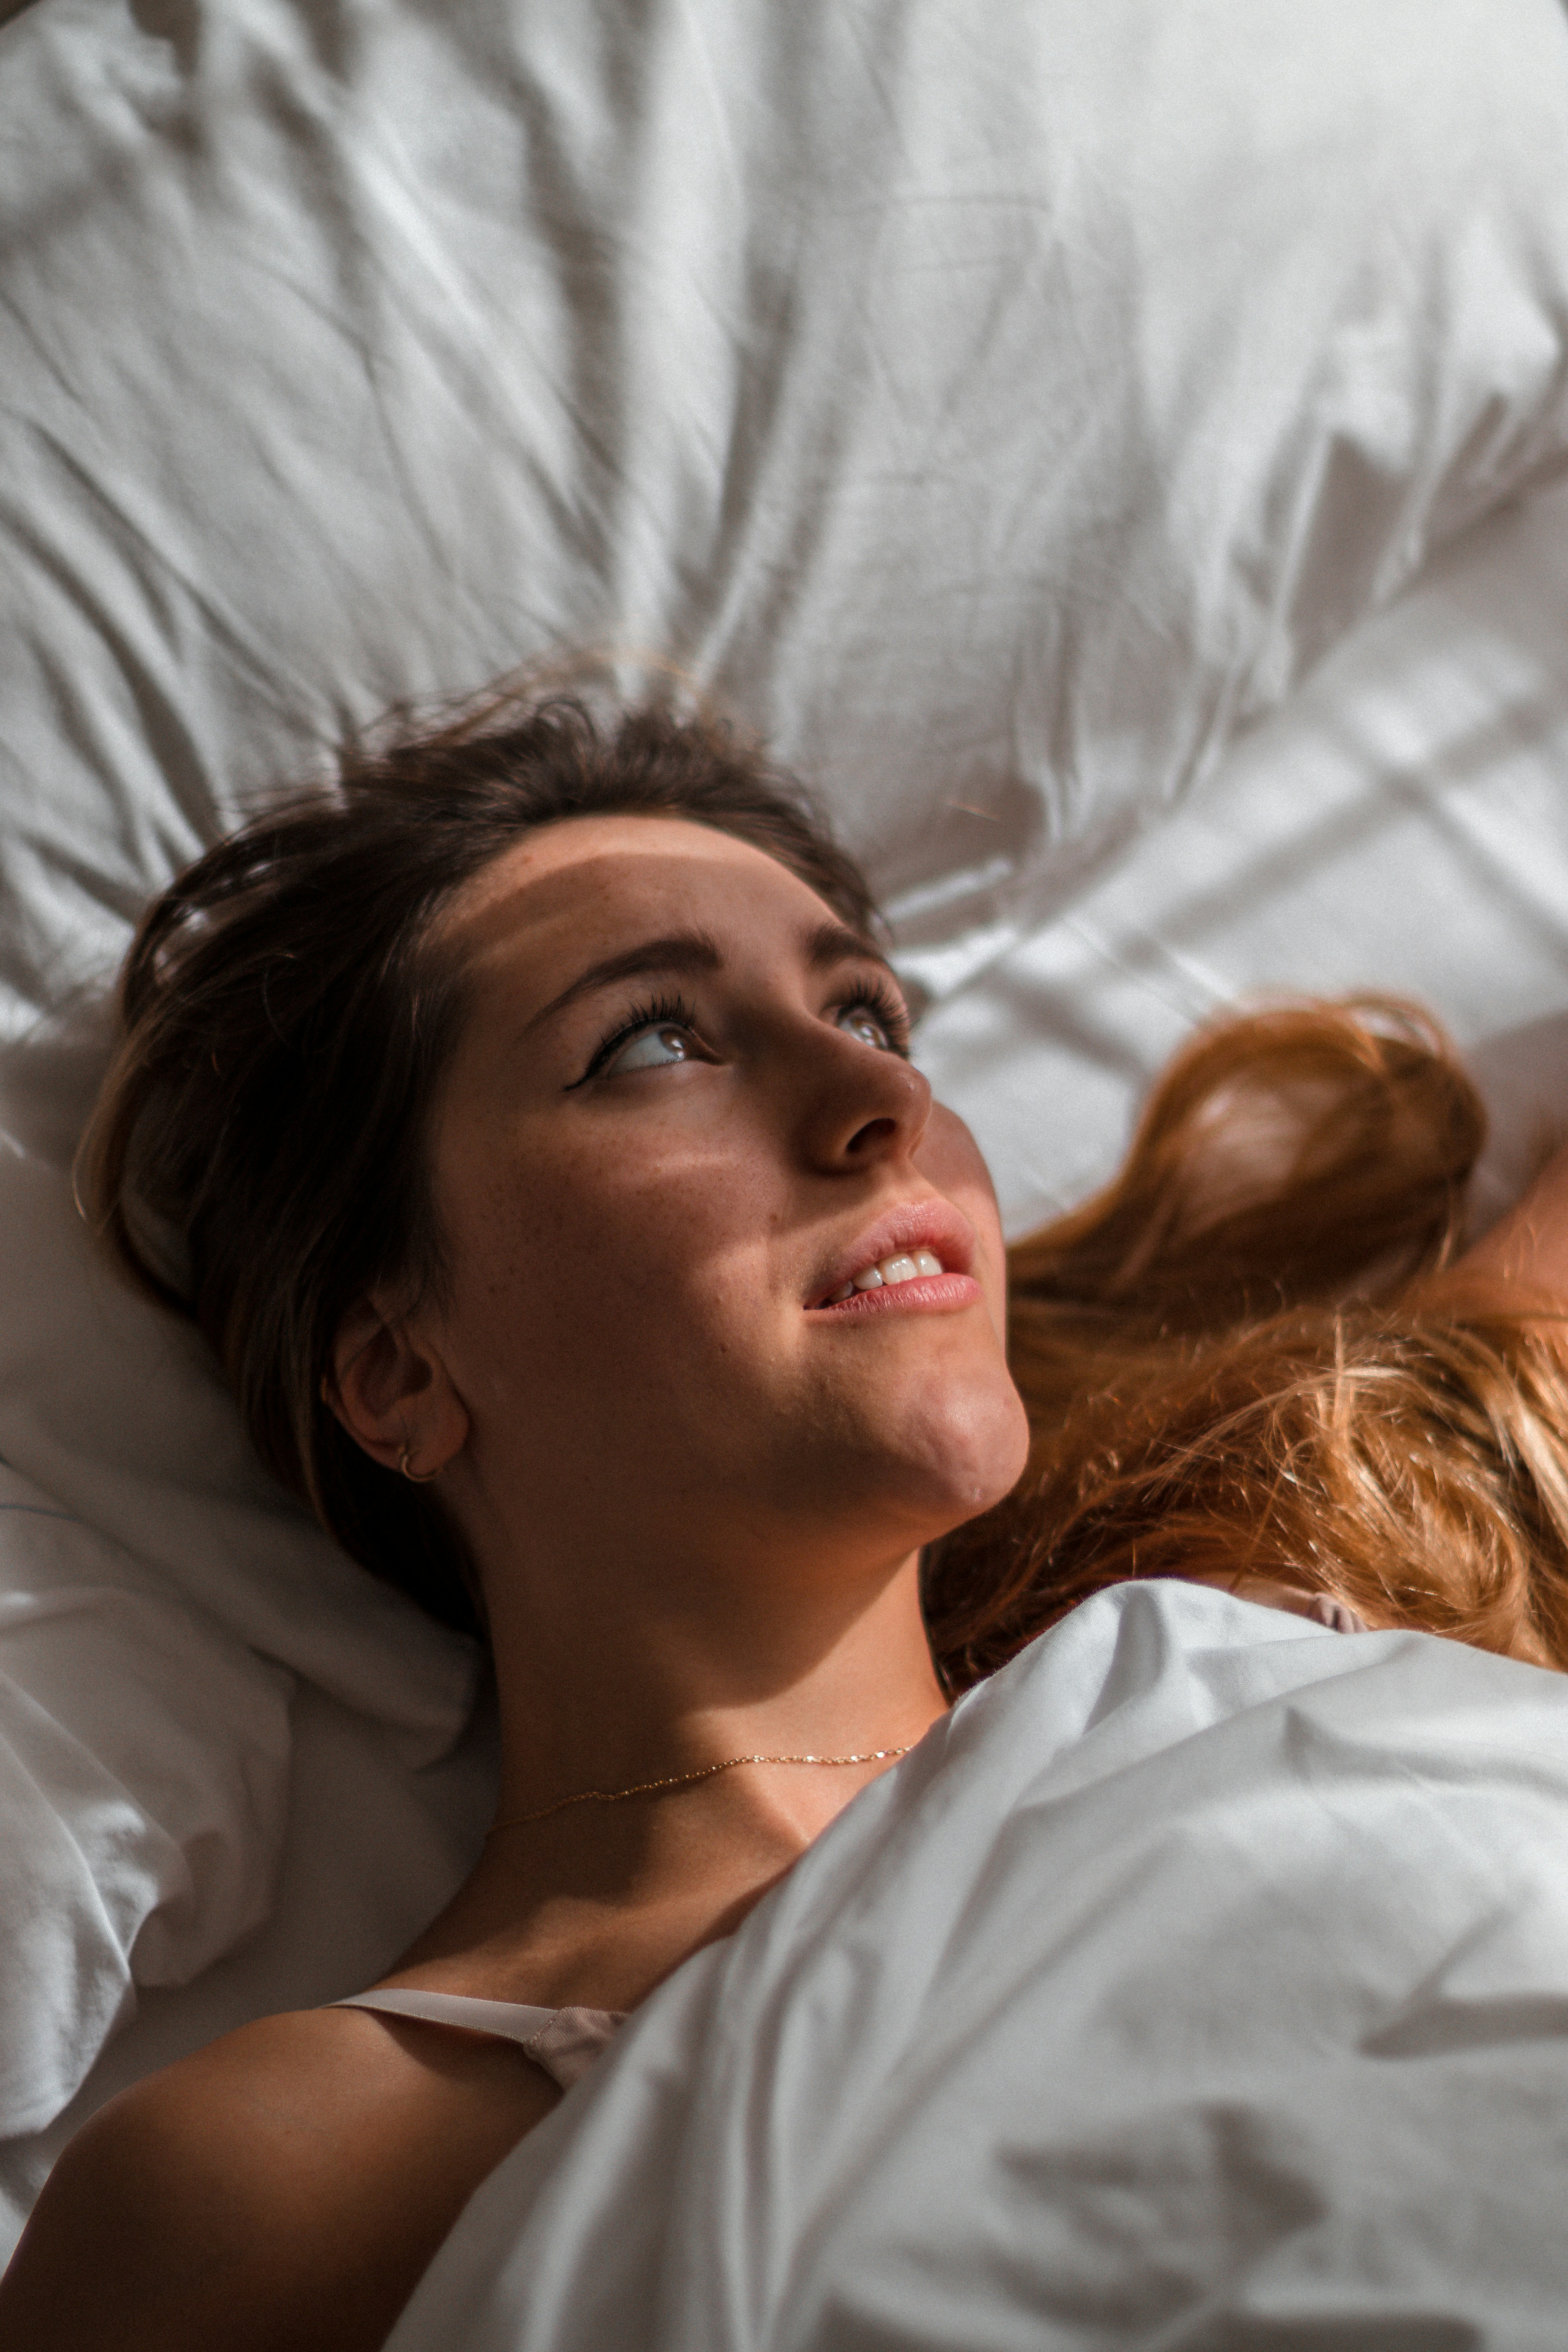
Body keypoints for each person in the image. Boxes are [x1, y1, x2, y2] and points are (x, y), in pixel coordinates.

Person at [0, 688, 1031, 2351]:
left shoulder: (1253, 1647)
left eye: (874, 1015)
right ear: (399, 1368)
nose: (876, 1100)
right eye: (655, 1042)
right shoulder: (267, 2195)